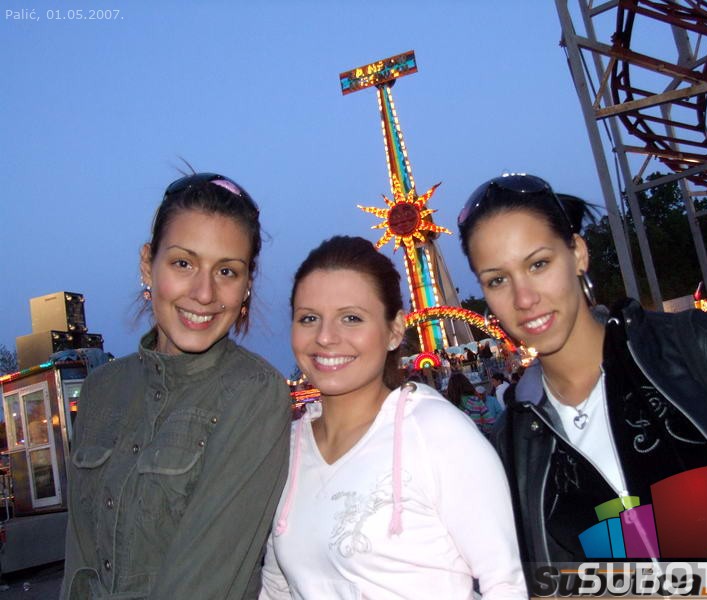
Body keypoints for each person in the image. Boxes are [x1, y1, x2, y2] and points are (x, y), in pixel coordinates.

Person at [457, 173, 707, 579]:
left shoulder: (697, 346)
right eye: (497, 280)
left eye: (539, 264)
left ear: (578, 253)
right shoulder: (513, 445)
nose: (524, 299)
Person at [61, 173, 291, 599]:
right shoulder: (100, 390)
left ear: (246, 287)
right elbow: (78, 562)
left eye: (227, 271)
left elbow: (205, 578)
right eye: (183, 263)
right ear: (147, 264)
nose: (204, 293)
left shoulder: (255, 393)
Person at [260, 236, 526, 599]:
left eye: (351, 318)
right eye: (309, 318)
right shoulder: (287, 448)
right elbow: (276, 587)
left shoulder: (435, 432)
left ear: (395, 330)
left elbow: (507, 583)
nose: (325, 337)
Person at [445, 372, 496, 436]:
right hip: (477, 439)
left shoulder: (448, 406)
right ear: (466, 384)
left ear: (450, 388)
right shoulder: (476, 401)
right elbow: (491, 424)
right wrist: (479, 429)